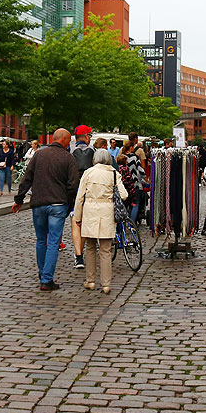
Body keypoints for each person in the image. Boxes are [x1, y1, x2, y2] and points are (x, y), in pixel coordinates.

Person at [12, 128, 80, 291]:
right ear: (63, 140)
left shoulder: (39, 155)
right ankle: (47, 279)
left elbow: (26, 178)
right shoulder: (68, 158)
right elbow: (73, 185)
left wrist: (18, 200)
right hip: (58, 204)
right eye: (69, 140)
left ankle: (43, 274)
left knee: (41, 240)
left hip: (39, 203)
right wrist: (69, 204)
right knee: (54, 241)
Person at [73, 149, 128, 294]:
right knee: (105, 250)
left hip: (90, 210)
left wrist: (77, 217)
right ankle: (106, 284)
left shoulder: (88, 172)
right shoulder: (114, 173)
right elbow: (124, 194)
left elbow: (80, 197)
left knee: (90, 248)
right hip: (107, 211)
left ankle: (90, 281)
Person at [70, 126, 94, 269]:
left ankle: (78, 256)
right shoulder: (93, 152)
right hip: (89, 192)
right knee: (84, 223)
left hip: (74, 191)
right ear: (85, 137)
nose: (90, 137)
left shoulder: (70, 152)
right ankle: (80, 253)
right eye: (89, 135)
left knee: (75, 222)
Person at [116, 146, 139, 223]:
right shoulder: (126, 169)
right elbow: (130, 183)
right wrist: (133, 197)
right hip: (126, 192)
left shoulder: (116, 169)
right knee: (126, 209)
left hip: (118, 193)